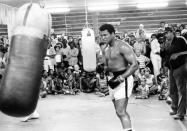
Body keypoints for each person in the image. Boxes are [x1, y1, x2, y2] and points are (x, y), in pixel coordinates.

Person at [99, 24, 138, 131]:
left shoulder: (123, 46)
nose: (103, 37)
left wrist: (121, 77)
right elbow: (107, 66)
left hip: (123, 79)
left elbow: (134, 65)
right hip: (112, 81)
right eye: (101, 35)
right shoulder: (106, 49)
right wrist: (102, 69)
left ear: (113, 34)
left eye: (105, 35)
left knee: (121, 111)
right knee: (118, 111)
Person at [164, 27, 187, 120]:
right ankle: (174, 108)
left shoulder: (180, 39)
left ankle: (181, 113)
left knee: (181, 90)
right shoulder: (167, 43)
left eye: (167, 33)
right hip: (171, 68)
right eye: (164, 34)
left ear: (171, 32)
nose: (165, 35)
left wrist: (178, 54)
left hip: (180, 67)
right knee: (172, 89)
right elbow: (166, 56)